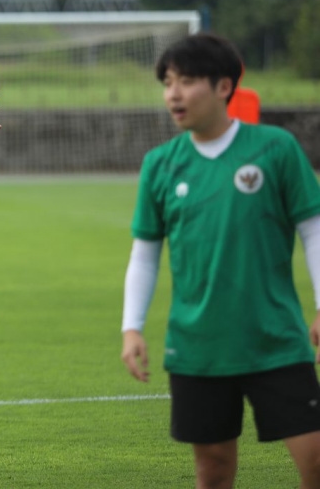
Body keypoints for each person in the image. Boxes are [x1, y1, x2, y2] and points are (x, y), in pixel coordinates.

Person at [120, 33, 320, 488]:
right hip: (197, 347)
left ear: (224, 86)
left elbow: (314, 229)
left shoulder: (276, 149)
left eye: (187, 81)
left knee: (315, 462)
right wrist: (131, 326)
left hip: (276, 340)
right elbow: (146, 253)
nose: (173, 93)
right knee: (213, 471)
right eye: (168, 82)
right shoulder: (160, 164)